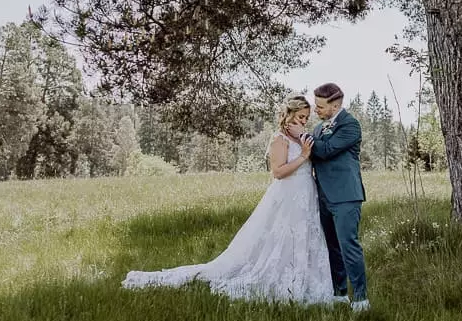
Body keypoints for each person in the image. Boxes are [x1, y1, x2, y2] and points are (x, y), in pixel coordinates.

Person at [121, 95, 335, 304]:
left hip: (306, 194)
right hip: (287, 195)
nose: (303, 121)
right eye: (299, 117)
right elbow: (278, 172)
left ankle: (304, 278)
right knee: (281, 237)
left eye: (306, 118)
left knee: (304, 236)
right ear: (288, 115)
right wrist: (303, 156)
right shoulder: (279, 139)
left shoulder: (303, 137)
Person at [287, 82, 370, 312]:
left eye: (321, 106)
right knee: (331, 247)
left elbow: (325, 150)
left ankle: (362, 299)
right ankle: (339, 294)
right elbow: (313, 153)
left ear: (335, 105)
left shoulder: (350, 126)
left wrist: (301, 134)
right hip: (323, 196)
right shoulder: (318, 129)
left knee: (348, 246)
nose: (316, 110)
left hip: (345, 196)